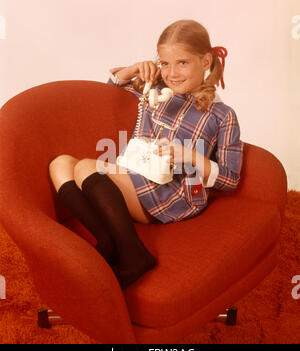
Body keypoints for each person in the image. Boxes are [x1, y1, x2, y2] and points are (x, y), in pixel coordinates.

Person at [49, 19, 243, 289]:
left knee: (85, 168)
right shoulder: (156, 92)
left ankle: (132, 253)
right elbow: (106, 93)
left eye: (182, 63)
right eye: (165, 64)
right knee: (60, 164)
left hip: (173, 191)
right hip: (136, 173)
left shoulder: (222, 115)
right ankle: (108, 240)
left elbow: (231, 179)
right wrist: (131, 71)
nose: (172, 73)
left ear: (205, 60)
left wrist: (192, 156)